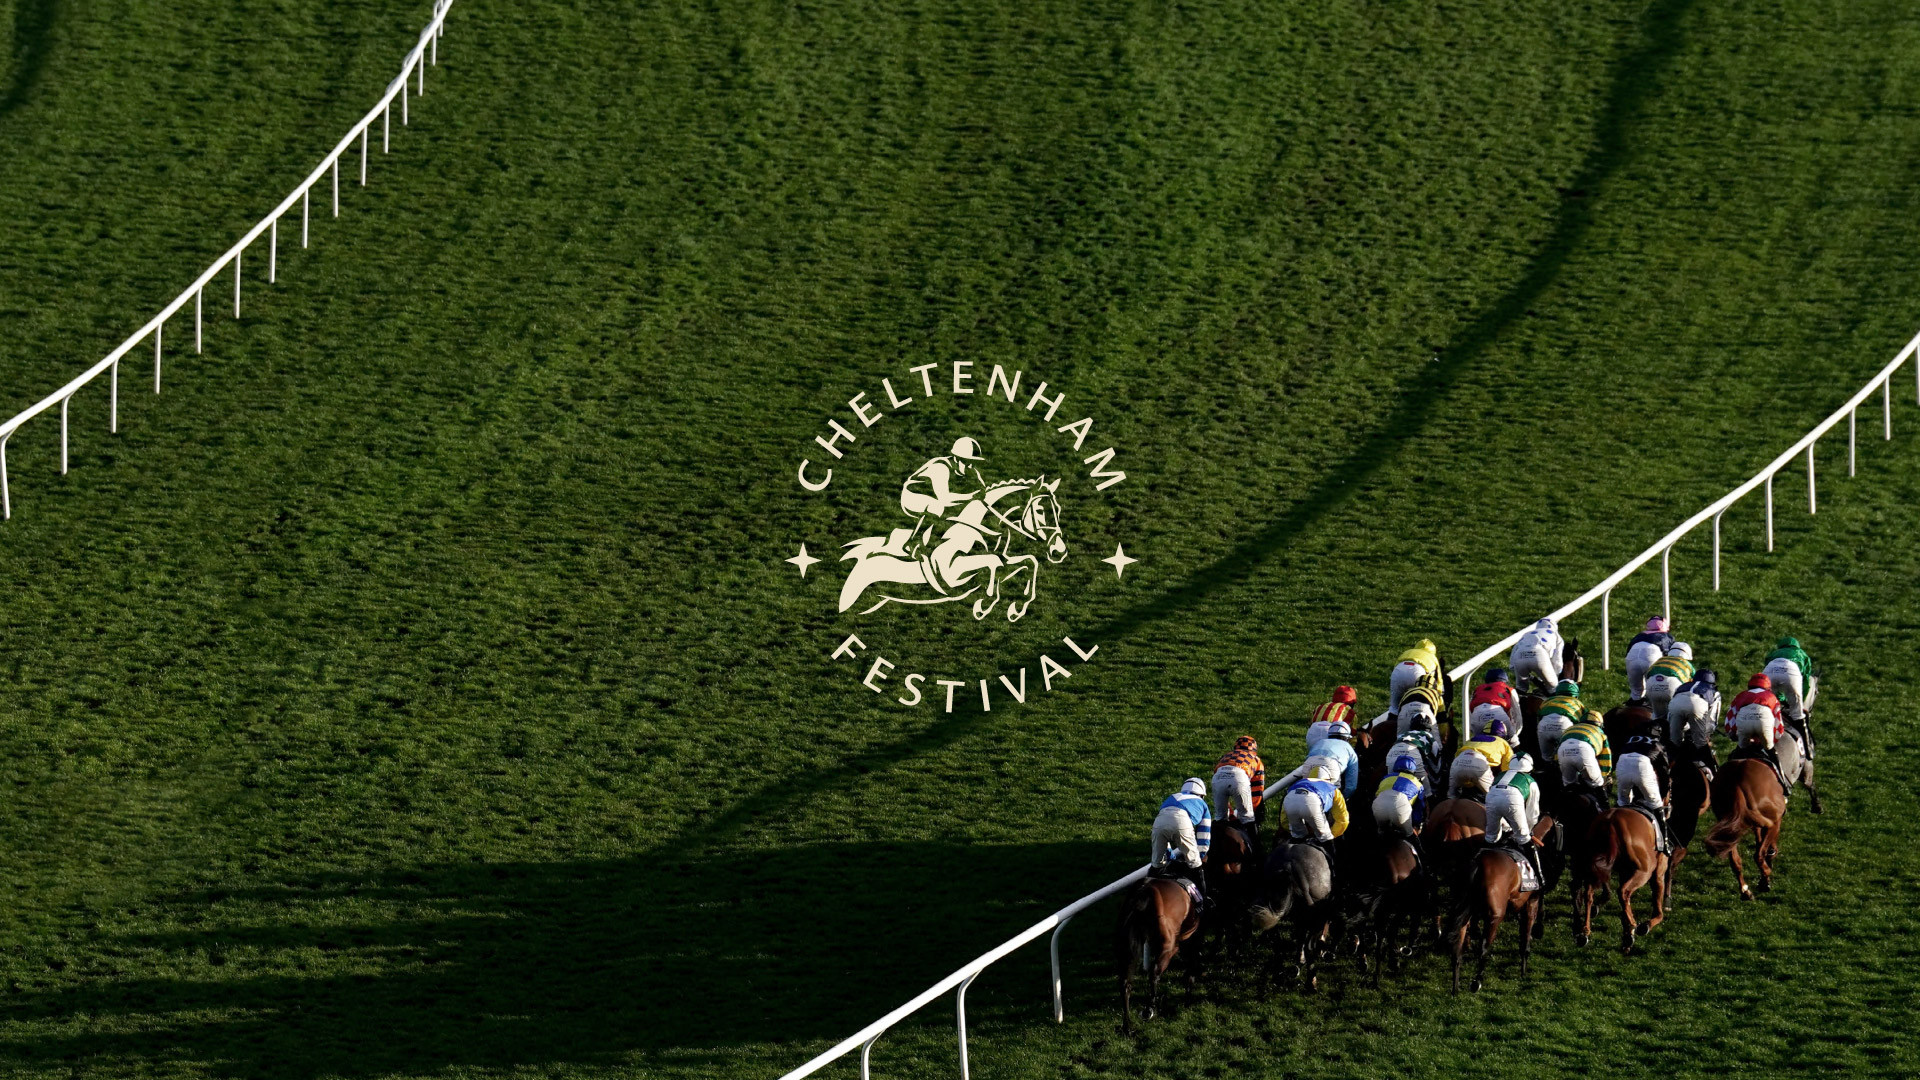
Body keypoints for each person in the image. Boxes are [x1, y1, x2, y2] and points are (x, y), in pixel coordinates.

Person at [898, 437, 987, 555]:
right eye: (967, 461)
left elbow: (982, 488)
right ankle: (913, 543)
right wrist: (970, 497)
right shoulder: (940, 467)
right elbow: (944, 498)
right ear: (956, 458)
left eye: (974, 462)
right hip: (912, 496)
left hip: (933, 497)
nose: (971, 466)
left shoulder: (970, 469)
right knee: (937, 507)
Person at [1485, 754, 1544, 883]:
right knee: (1524, 839)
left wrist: (1505, 825)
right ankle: (1539, 878)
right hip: (1513, 799)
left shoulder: (1500, 775)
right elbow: (1533, 813)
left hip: (1491, 796)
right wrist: (1527, 830)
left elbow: (1496, 800)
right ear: (1529, 768)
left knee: (1491, 838)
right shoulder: (1530, 780)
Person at [1150, 778, 1212, 900]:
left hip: (1159, 822)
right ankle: (1204, 900)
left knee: (1156, 865)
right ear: (1201, 794)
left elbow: (1164, 825)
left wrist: (1170, 857)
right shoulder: (1202, 803)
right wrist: (1200, 855)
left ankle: (1146, 891)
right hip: (1182, 821)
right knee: (1195, 864)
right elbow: (1204, 835)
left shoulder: (1171, 797)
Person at [1616, 723, 1673, 852]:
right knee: (1656, 804)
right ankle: (1664, 842)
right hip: (1642, 763)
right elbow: (1664, 773)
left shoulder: (1631, 739)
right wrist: (1662, 793)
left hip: (1622, 761)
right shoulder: (1658, 744)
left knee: (1622, 802)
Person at [1275, 721, 1360, 800]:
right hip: (1331, 766)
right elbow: (1351, 784)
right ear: (1347, 738)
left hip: (1309, 763)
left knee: (1308, 791)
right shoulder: (1349, 748)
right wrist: (1345, 797)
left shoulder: (1320, 742)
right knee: (1333, 800)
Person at [1763, 636, 1818, 758]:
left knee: (1764, 709)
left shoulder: (1773, 653)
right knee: (1798, 715)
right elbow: (1805, 682)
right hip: (1791, 673)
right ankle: (1807, 749)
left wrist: (1780, 700)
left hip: (1769, 671)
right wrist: (1800, 702)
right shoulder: (1802, 654)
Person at [1727, 673, 1787, 770]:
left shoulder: (1740, 696)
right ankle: (1781, 779)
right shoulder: (1772, 697)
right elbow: (1778, 724)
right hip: (1764, 724)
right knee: (1771, 751)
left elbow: (1730, 719)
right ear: (1767, 687)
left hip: (1744, 723)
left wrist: (1733, 734)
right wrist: (1773, 740)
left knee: (1739, 751)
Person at [1281, 762, 1350, 845]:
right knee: (1325, 838)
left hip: (1290, 799)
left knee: (1298, 837)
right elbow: (1343, 820)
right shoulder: (1333, 789)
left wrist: (1295, 830)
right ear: (1328, 779)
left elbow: (1284, 819)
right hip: (1312, 802)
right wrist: (1331, 835)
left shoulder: (1297, 784)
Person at [1668, 669, 1723, 773]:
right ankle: (1713, 775)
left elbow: (1670, 714)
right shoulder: (1714, 691)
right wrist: (1706, 734)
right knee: (1701, 744)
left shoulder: (1682, 686)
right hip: (1698, 705)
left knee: (1674, 743)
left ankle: (1667, 770)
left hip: (1676, 704)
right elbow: (1712, 720)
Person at [1449, 721, 1515, 800]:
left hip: (1458, 762)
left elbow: (1457, 755)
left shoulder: (1472, 739)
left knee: (1451, 797)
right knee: (1493, 798)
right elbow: (1507, 770)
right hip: (1479, 764)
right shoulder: (1504, 743)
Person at [1372, 751, 1429, 842]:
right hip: (1400, 809)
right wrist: (1416, 825)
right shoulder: (1417, 783)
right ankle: (1419, 852)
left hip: (1379, 806)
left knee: (1380, 834)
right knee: (1411, 836)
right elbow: (1419, 807)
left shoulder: (1385, 778)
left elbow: (1376, 796)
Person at [1211, 735, 1266, 828]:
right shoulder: (1255, 759)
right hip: (1239, 776)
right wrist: (1253, 809)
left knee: (1220, 817)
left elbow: (1217, 778)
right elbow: (1257, 790)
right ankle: (1255, 842)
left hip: (1218, 778)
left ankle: (1212, 841)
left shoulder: (1225, 756)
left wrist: (1231, 815)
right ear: (1254, 750)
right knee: (1247, 817)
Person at [1558, 710, 1612, 793]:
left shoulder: (1570, 729)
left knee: (1569, 785)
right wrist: (1604, 774)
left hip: (1563, 750)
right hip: (1584, 749)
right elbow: (1605, 756)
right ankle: (1604, 805)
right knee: (1597, 784)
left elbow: (1557, 750)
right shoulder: (1599, 732)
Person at [1536, 680, 1591, 762]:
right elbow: (1585, 720)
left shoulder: (1548, 701)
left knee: (1546, 757)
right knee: (1564, 757)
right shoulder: (1578, 703)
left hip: (1543, 726)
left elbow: (1539, 715)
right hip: (1564, 726)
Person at [1468, 668, 1523, 747]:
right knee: (1514, 744)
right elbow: (1517, 713)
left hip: (1477, 717)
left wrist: (1472, 728)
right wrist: (1515, 733)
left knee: (1479, 744)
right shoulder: (1509, 690)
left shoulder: (1477, 690)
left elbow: (1469, 710)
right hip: (1498, 714)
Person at [1509, 618, 1565, 695]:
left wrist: (1514, 668)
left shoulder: (1526, 634)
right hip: (1539, 655)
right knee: (1553, 686)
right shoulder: (1556, 635)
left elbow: (1514, 653)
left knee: (1521, 689)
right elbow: (1557, 658)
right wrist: (1556, 673)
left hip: (1519, 656)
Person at [1389, 638, 1443, 718]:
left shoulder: (1407, 652)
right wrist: (1439, 695)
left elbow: (1395, 668)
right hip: (1417, 673)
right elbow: (1439, 681)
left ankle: (1389, 724)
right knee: (1418, 707)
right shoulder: (1433, 658)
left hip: (1398, 673)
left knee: (1394, 708)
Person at [1624, 617, 1675, 701]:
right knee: (1656, 689)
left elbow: (1628, 651)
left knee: (1636, 692)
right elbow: (1670, 656)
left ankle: (1634, 703)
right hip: (1651, 656)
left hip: (1632, 657)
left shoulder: (1639, 636)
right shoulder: (1667, 636)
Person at [1643, 643, 1695, 719]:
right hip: (1672, 686)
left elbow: (1647, 675)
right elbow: (1694, 682)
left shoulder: (1660, 660)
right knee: (1676, 717)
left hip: (1651, 686)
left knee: (1657, 716)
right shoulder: (1686, 663)